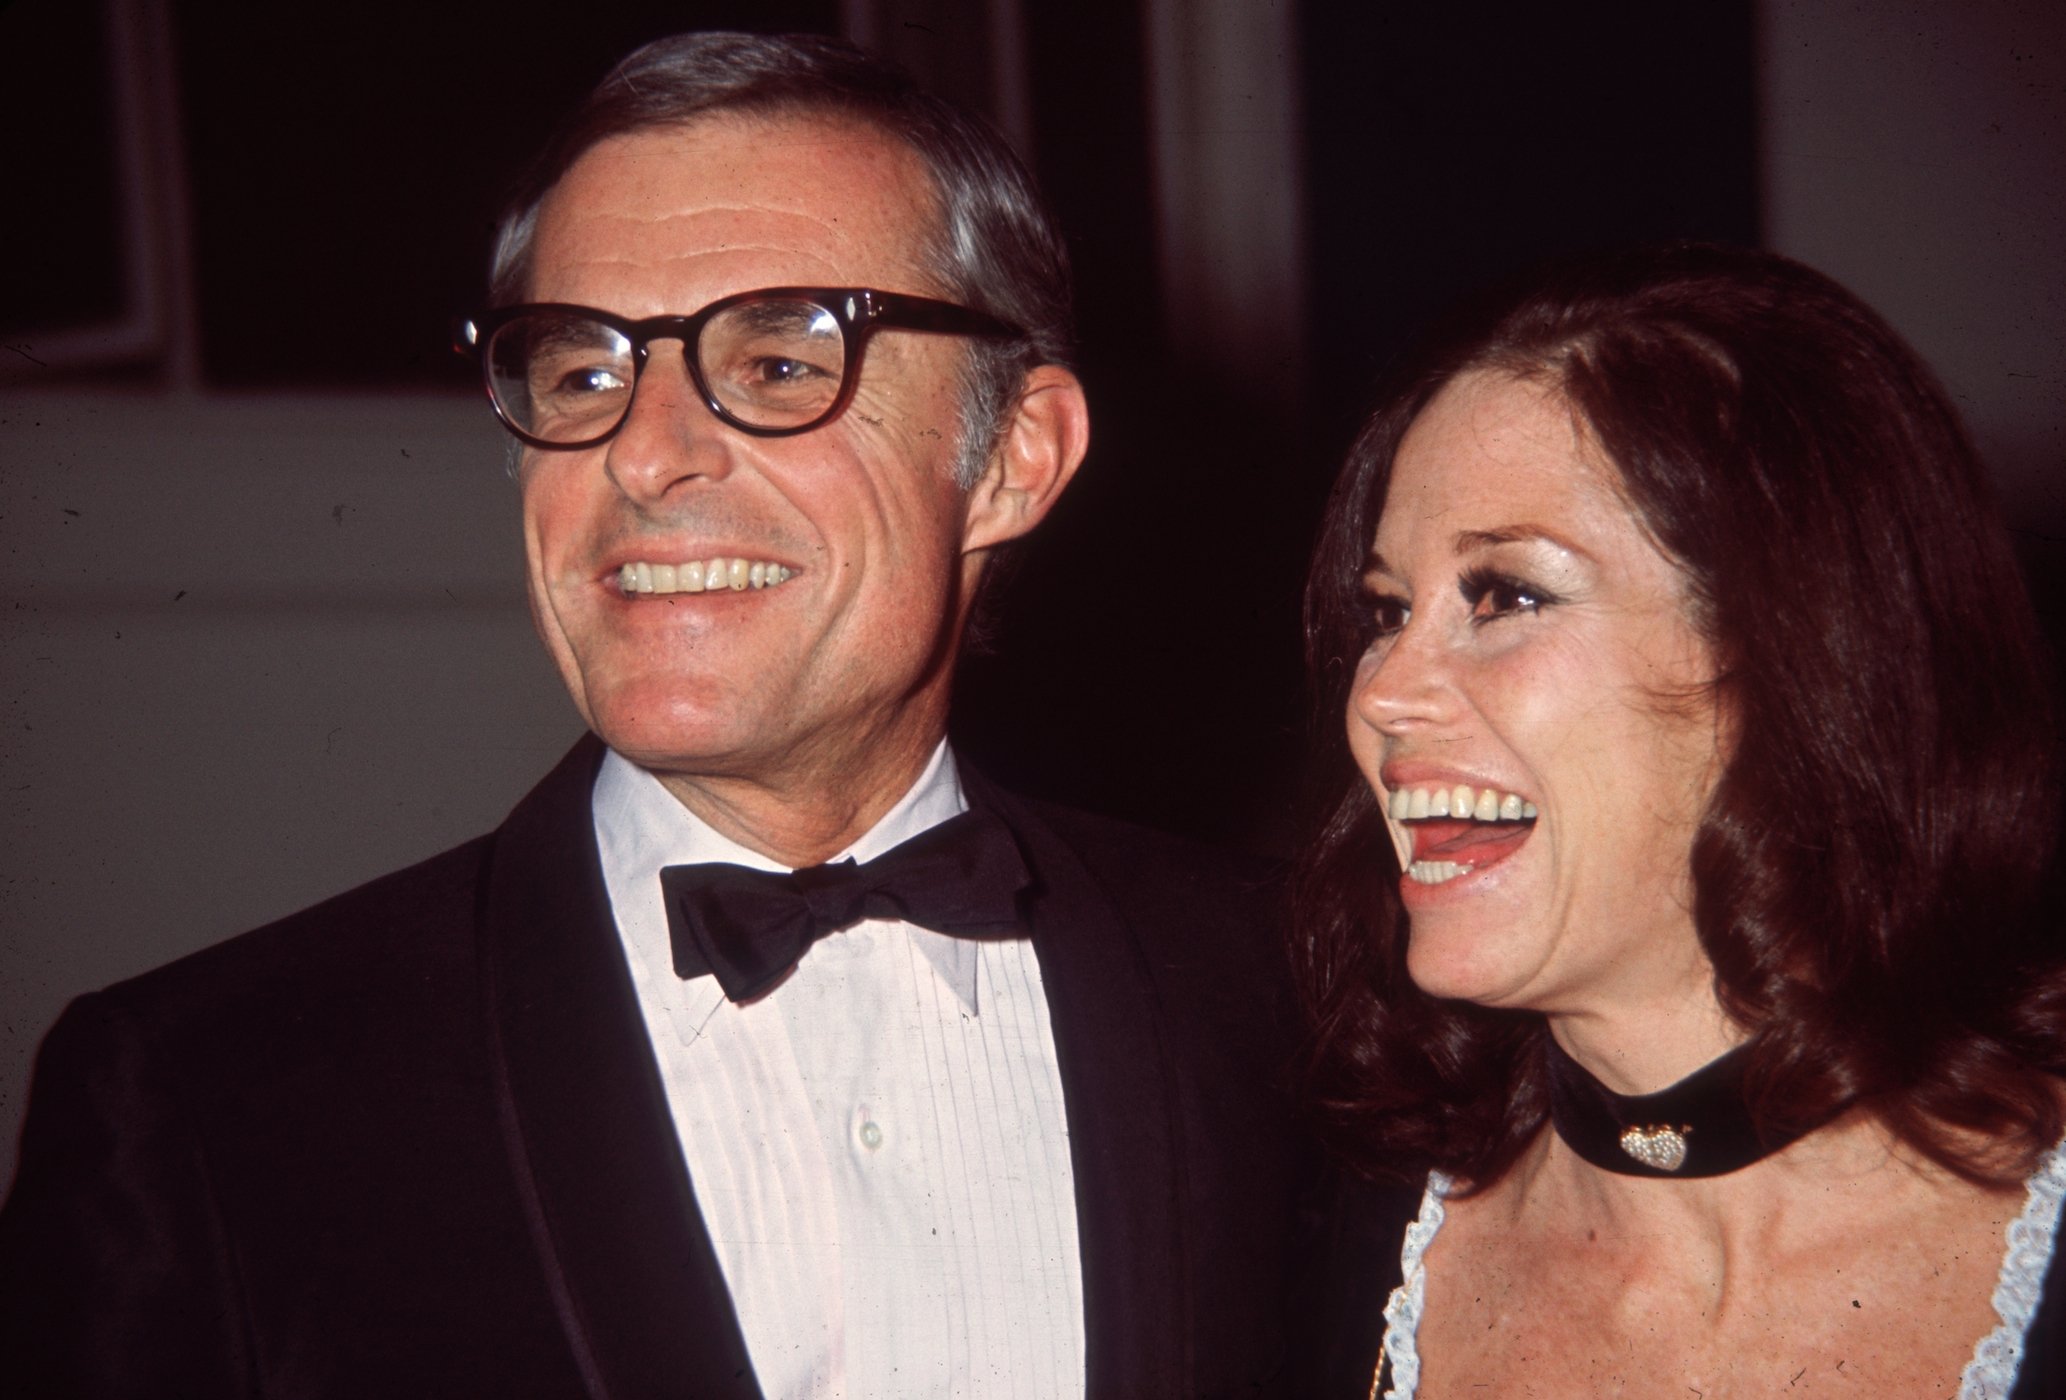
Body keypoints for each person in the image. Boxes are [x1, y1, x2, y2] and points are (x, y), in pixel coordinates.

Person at [0, 33, 1340, 1398]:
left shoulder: (1298, 998)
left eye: (779, 364)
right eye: (581, 374)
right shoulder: (202, 1099)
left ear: (1011, 457)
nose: (640, 457)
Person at [1294, 243, 2066, 1397]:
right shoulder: (1330, 1236)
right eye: (1385, 610)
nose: (1381, 693)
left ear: (1802, 658)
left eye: (1506, 594)